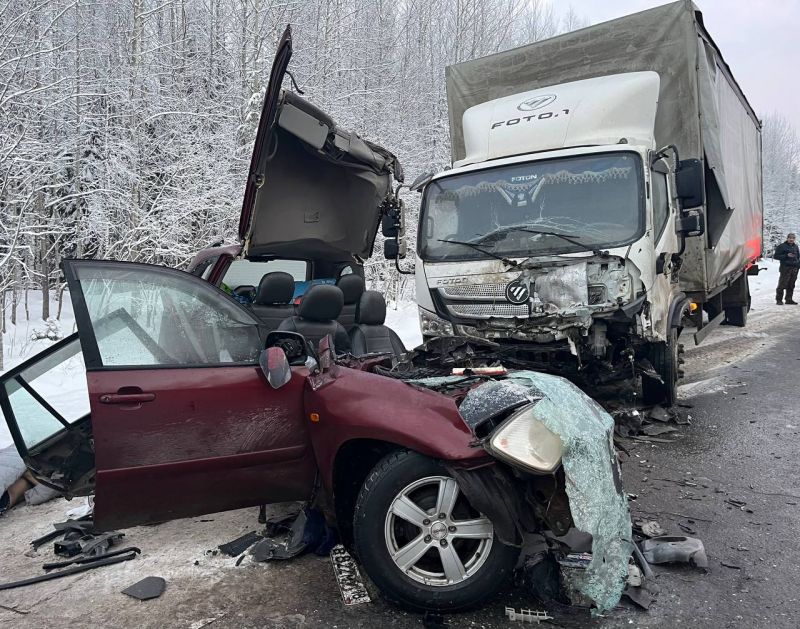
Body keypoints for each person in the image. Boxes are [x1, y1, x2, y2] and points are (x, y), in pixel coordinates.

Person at [774, 233, 800, 305]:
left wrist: (798, 265)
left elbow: (798, 257)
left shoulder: (796, 247)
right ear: (787, 238)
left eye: (793, 238)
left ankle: (789, 299)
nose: (791, 239)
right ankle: (779, 300)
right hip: (785, 268)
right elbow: (776, 256)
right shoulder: (782, 246)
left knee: (791, 284)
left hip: (794, 268)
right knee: (782, 284)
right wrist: (786, 255)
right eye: (790, 238)